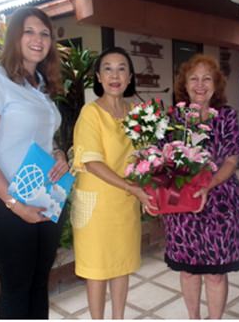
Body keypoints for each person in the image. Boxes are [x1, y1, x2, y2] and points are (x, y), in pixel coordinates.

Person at [0, 7, 69, 319]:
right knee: (16, 288)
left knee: (39, 284)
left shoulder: (40, 85)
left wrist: (59, 154)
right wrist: (14, 202)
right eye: (29, 31)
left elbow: (42, 137)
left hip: (43, 195)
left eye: (44, 33)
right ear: (15, 37)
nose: (38, 39)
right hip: (3, 201)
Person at [70, 47, 153, 319]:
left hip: (125, 204)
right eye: (107, 68)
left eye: (121, 69)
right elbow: (92, 162)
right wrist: (133, 188)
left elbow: (144, 156)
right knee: (97, 270)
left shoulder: (136, 113)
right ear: (98, 76)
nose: (114, 75)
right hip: (97, 207)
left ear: (129, 78)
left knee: (121, 264)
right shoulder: (90, 113)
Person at [163, 54, 239, 319]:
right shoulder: (174, 117)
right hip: (182, 205)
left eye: (206, 79)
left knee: (215, 274)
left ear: (216, 84)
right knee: (187, 270)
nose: (200, 85)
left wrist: (209, 184)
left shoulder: (227, 116)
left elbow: (232, 158)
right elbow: (162, 160)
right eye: (193, 79)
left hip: (220, 203)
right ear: (184, 84)